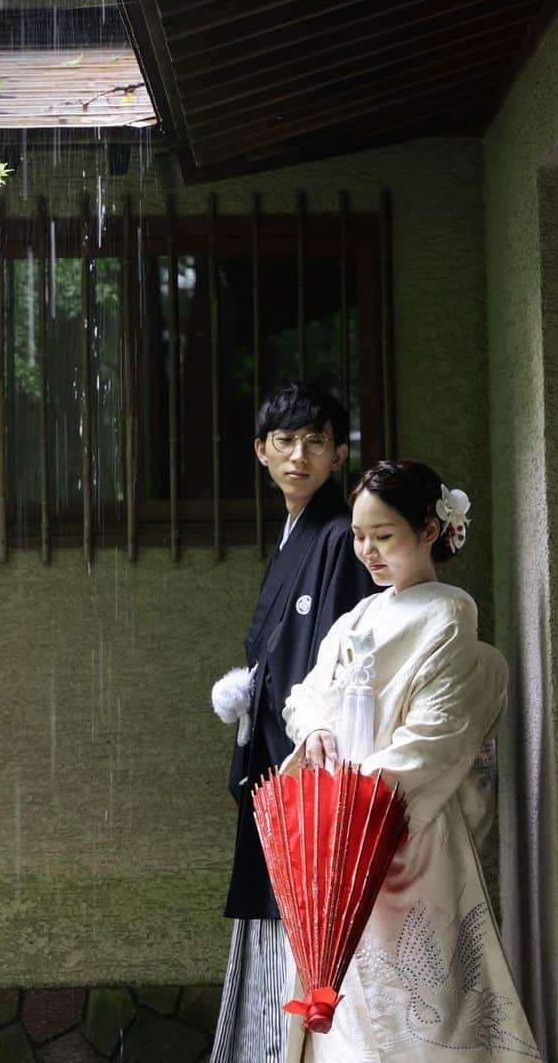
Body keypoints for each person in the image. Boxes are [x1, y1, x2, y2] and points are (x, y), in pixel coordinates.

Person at [281, 460, 539, 1062]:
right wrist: (317, 727)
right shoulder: (361, 616)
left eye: (383, 535)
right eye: (358, 535)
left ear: (429, 529)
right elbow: (307, 693)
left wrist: (353, 802)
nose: (367, 551)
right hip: (347, 824)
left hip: (399, 828)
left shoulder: (449, 612)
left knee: (419, 1007)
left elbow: (435, 739)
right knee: (343, 995)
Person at [210, 382, 377, 1063]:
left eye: (316, 441)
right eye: (285, 441)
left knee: (311, 927)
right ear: (261, 451)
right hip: (279, 757)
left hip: (311, 763)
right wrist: (253, 686)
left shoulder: (339, 536)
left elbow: (339, 661)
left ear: (340, 453)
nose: (299, 455)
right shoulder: (299, 534)